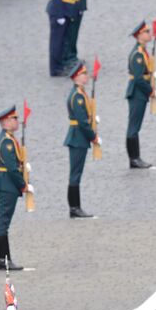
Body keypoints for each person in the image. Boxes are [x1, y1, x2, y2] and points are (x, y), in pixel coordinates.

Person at [0, 105, 29, 271]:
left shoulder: (8, 139)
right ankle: (3, 260)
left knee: (4, 223)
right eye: (14, 118)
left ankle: (3, 259)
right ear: (5, 122)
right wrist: (22, 184)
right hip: (7, 184)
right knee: (4, 223)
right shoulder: (6, 142)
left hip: (7, 183)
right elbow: (11, 168)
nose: (17, 121)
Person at [63, 61, 98, 218]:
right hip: (78, 137)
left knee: (77, 172)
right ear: (77, 77)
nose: (87, 76)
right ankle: (74, 207)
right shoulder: (77, 96)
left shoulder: (80, 93)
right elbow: (82, 121)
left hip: (79, 136)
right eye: (84, 74)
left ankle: (75, 207)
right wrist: (93, 136)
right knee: (75, 173)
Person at [124, 20, 156, 170]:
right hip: (137, 93)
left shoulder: (142, 51)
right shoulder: (137, 55)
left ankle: (135, 157)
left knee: (136, 126)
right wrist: (150, 90)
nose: (149, 34)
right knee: (133, 127)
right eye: (147, 31)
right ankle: (134, 158)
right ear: (139, 35)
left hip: (140, 92)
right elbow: (137, 78)